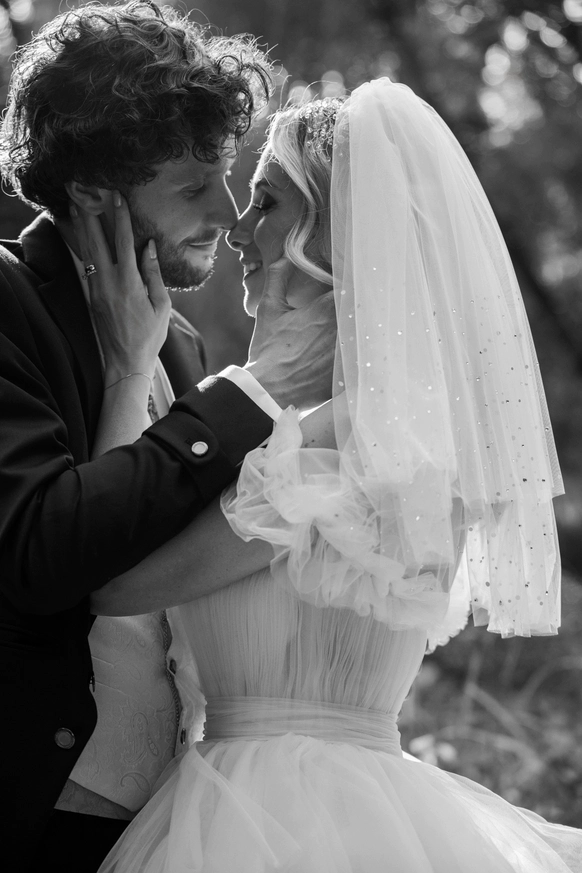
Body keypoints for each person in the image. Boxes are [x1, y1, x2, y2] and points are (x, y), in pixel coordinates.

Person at [92, 79, 582, 871]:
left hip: (265, 814)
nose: (238, 229)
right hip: (364, 808)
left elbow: (112, 581)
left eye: (266, 203)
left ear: (333, 233)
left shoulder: (332, 446)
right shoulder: (416, 435)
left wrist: (128, 371)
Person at [0, 3, 336, 870]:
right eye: (192, 188)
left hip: (172, 821)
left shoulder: (181, 344)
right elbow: (41, 554)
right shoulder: (6, 304)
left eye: (227, 177)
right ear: (92, 192)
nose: (228, 212)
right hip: (35, 808)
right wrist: (243, 395)